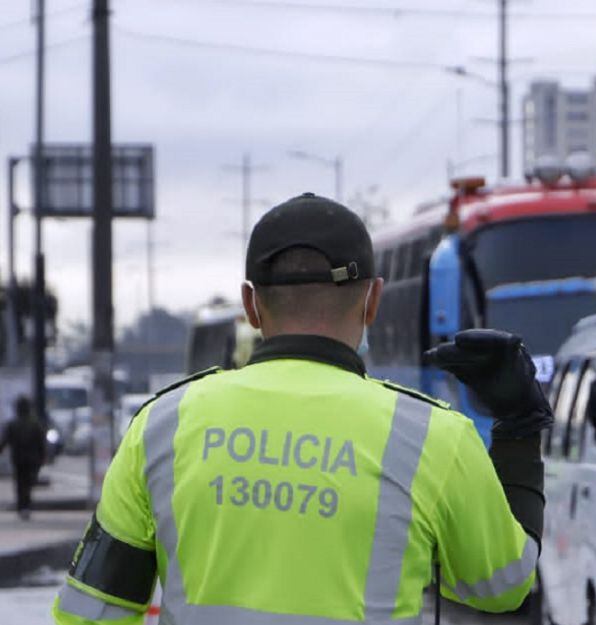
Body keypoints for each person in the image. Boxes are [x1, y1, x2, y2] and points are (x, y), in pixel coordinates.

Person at [52, 192, 553, 624]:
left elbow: (89, 612)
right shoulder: (434, 436)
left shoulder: (162, 426)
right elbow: (504, 585)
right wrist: (518, 427)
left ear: (250, 305)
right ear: (372, 302)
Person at [0, 395, 46, 521]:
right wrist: (43, 457)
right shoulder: (35, 424)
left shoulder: (13, 424)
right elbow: (41, 443)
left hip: (18, 459)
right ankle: (26, 506)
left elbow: (4, 441)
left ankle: (22, 506)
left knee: (20, 483)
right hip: (32, 460)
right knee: (28, 483)